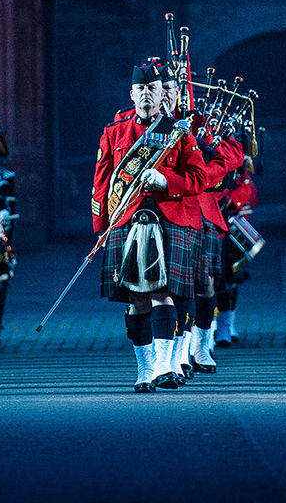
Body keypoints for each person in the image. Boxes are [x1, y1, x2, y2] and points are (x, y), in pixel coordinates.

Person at [92, 61, 206, 392]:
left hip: (168, 218)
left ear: (163, 95)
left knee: (163, 293)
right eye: (140, 89)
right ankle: (144, 369)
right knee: (135, 300)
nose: (146, 94)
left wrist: (165, 179)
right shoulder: (115, 132)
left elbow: (197, 177)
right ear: (131, 93)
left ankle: (165, 366)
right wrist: (101, 226)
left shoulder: (179, 132)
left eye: (152, 89)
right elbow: (102, 183)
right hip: (127, 219)